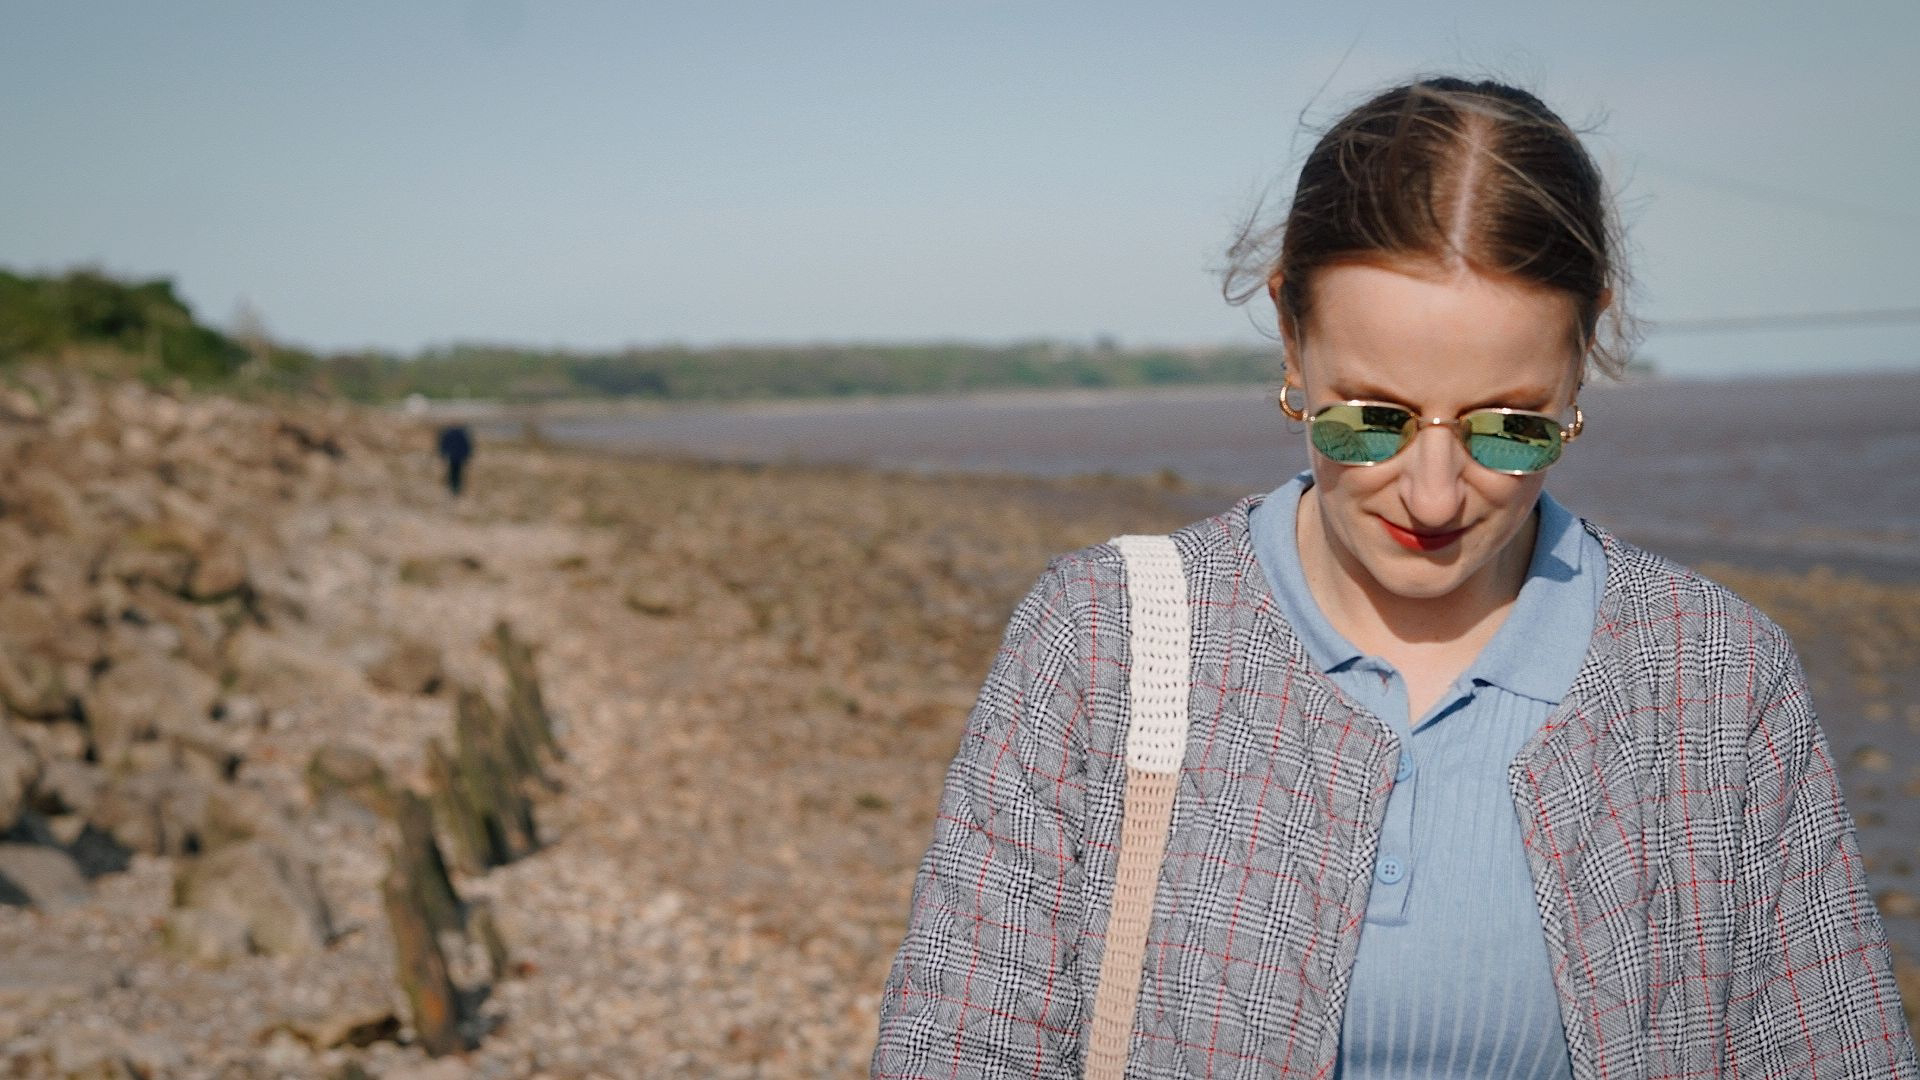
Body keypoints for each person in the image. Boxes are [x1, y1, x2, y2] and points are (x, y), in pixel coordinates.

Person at [872, 77, 1917, 1079]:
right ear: (1291, 332)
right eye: (1369, 418)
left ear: (1582, 354)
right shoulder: (1101, 639)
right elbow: (958, 1047)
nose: (1430, 495)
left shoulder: (1713, 675)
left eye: (1511, 430)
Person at [436, 423, 474, 496]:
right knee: (457, 473)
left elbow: (443, 445)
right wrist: (467, 456)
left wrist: (443, 454)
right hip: (459, 457)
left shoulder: (448, 433)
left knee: (453, 472)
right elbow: (467, 446)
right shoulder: (462, 434)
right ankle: (455, 487)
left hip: (453, 456)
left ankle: (453, 487)